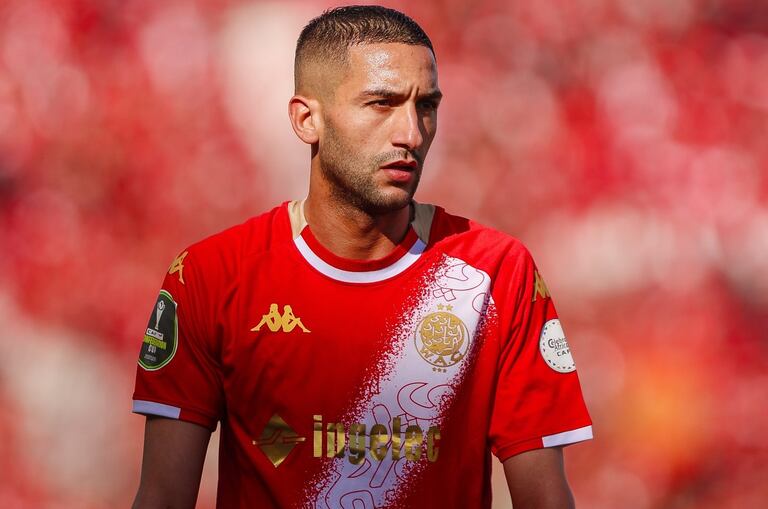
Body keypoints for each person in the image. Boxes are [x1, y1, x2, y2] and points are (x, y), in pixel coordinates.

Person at [132, 5, 592, 508]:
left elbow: (546, 500)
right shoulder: (211, 276)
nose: (411, 133)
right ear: (307, 119)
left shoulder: (496, 273)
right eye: (381, 104)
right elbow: (162, 498)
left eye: (426, 106)